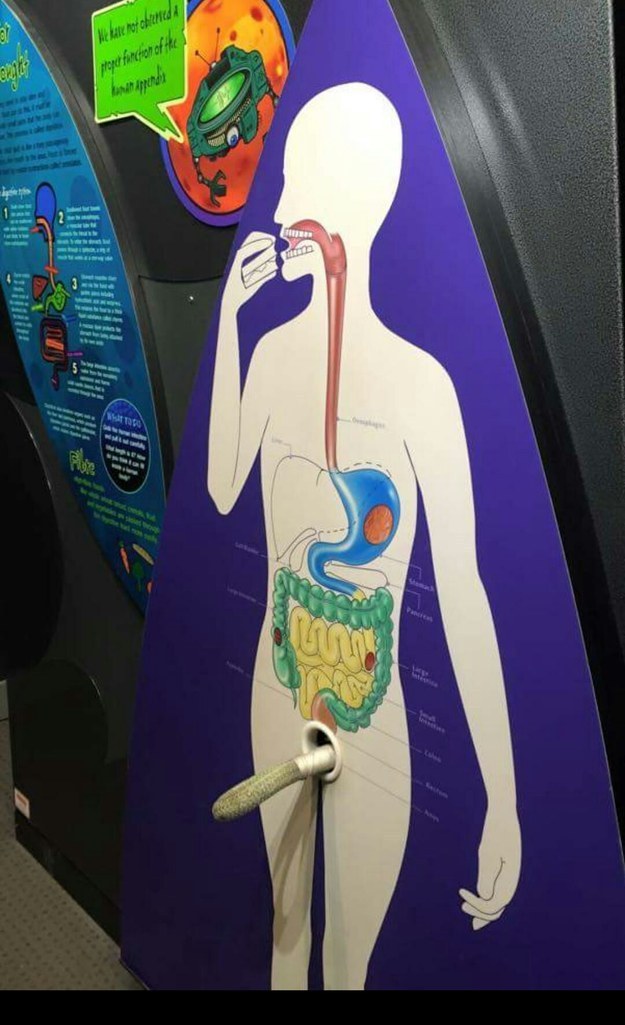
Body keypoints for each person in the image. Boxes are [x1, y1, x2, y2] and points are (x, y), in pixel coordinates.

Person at [208, 82, 521, 990]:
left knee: (348, 967)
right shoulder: (271, 355)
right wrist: (228, 324)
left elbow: (463, 593)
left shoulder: (423, 390)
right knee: (286, 939)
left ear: (349, 201)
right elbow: (223, 486)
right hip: (277, 690)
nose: (278, 214)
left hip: (375, 725)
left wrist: (503, 799)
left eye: (295, 185)